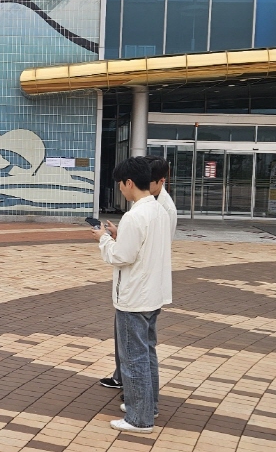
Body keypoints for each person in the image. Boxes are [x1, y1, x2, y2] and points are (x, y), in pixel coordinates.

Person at [91, 156, 173, 434]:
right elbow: (142, 247)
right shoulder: (159, 209)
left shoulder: (135, 215)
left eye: (120, 184)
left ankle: (139, 418)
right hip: (153, 293)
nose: (120, 189)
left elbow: (120, 256)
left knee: (134, 358)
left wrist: (103, 238)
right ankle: (149, 406)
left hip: (134, 296)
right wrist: (119, 234)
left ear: (129, 183)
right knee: (147, 353)